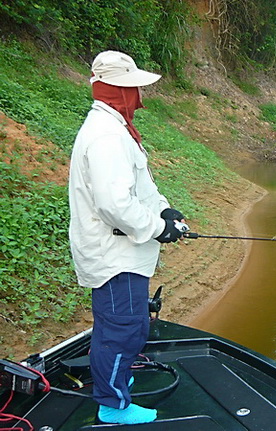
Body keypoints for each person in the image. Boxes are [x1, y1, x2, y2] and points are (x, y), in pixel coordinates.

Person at [68, 50, 185, 425]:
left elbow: (139, 187)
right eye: (134, 88)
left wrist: (165, 212)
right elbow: (115, 204)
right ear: (117, 91)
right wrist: (157, 229)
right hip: (114, 256)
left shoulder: (118, 130)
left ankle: (113, 378)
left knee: (117, 325)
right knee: (123, 330)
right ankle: (112, 404)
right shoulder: (105, 137)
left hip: (124, 252)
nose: (140, 96)